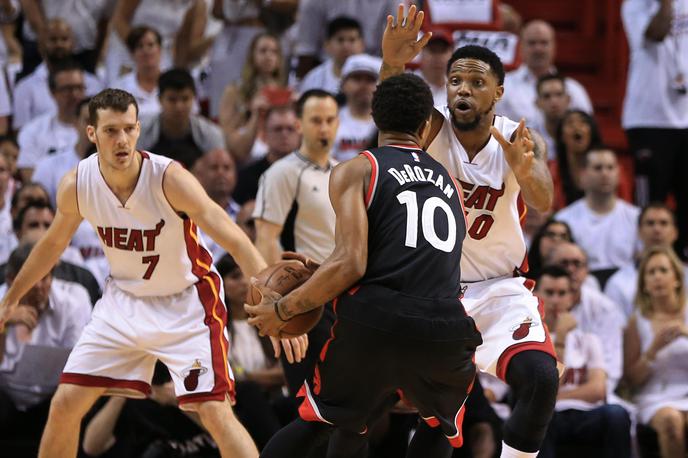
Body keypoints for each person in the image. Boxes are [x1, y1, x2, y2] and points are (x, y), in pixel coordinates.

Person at [0, 88, 306, 458]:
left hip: (186, 304)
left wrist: (276, 302)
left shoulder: (168, 179)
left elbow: (236, 239)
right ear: (91, 133)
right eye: (111, 130)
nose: (122, 140)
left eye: (129, 129)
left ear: (139, 129)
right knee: (65, 404)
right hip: (124, 303)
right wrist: (11, 297)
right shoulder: (76, 185)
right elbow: (50, 246)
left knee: (213, 413)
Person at [248, 72, 481, 458]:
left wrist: (284, 308)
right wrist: (325, 268)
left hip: (377, 321)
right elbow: (413, 258)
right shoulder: (450, 183)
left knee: (323, 421)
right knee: (440, 425)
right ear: (425, 125)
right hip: (445, 328)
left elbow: (352, 264)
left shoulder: (358, 169)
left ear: (374, 119)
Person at [380, 5, 559, 457]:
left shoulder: (517, 138)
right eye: (456, 81)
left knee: (540, 379)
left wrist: (526, 169)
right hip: (437, 293)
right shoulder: (430, 127)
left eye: (477, 83)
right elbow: (390, 118)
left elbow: (543, 200)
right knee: (438, 422)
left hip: (502, 290)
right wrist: (394, 65)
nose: (463, 89)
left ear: (497, 92)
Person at [253, 89, 338, 402]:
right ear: (300, 124)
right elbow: (265, 238)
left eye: (330, 120)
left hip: (346, 299)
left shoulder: (345, 172)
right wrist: (278, 309)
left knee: (350, 411)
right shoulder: (282, 173)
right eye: (316, 120)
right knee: (309, 406)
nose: (324, 128)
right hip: (305, 301)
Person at [0, 243, 92, 456]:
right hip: (5, 395)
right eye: (34, 279)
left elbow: (76, 360)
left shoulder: (72, 301)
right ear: (12, 281)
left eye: (46, 277)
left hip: (52, 394)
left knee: (76, 398)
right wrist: (3, 322)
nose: (41, 286)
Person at [535, 265, 631, 458]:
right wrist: (560, 339)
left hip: (586, 413)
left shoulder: (589, 339)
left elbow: (598, 390)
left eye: (562, 293)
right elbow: (547, 388)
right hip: (551, 417)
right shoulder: (530, 340)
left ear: (571, 298)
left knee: (617, 414)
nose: (555, 300)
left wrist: (553, 399)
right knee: (539, 419)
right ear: (536, 295)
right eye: (549, 293)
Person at [622, 0, 688, 258]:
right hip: (648, 119)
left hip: (685, 117)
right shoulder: (635, 5)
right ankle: (649, 262)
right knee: (652, 205)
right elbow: (656, 33)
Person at [623, 246, 688, 458]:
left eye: (663, 270)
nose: (657, 277)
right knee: (671, 422)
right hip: (655, 396)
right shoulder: (637, 321)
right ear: (645, 285)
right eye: (651, 273)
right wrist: (653, 350)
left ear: (677, 279)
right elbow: (631, 380)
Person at [555, 148, 640, 286]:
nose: (605, 173)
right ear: (583, 174)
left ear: (619, 173)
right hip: (581, 285)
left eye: (610, 167)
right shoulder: (564, 219)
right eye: (598, 168)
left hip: (627, 286)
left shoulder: (636, 217)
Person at [497, 20, 592, 125]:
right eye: (532, 43)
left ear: (554, 47)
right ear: (520, 47)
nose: (538, 49)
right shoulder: (503, 87)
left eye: (544, 43)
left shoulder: (573, 89)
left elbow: (587, 130)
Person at [605, 203, 688, 320]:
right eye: (650, 223)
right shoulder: (617, 283)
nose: (657, 229)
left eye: (663, 223)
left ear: (675, 232)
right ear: (639, 232)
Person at [218, 33, 288, 164]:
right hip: (245, 154)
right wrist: (251, 112)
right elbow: (227, 134)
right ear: (252, 56)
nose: (269, 56)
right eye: (263, 51)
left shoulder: (285, 92)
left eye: (274, 52)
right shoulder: (234, 91)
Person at [137, 68, 224, 170]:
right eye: (172, 99)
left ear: (194, 99)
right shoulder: (139, 133)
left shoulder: (212, 135)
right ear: (160, 100)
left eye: (185, 99)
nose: (179, 106)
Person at [233, 105, 301, 205]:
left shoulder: (313, 174)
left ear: (300, 133)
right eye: (278, 129)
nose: (284, 134)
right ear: (265, 134)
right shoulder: (246, 178)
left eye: (290, 129)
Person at [331, 53, 380, 162]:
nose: (363, 85)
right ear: (343, 85)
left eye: (370, 80)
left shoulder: (385, 123)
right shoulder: (330, 119)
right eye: (357, 78)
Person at [299, 17, 365, 95]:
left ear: (362, 45)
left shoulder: (377, 72)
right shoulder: (313, 79)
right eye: (340, 40)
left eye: (352, 40)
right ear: (327, 45)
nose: (346, 46)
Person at [110, 25, 163, 117]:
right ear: (132, 53)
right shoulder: (119, 89)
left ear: (159, 49)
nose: (146, 51)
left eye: (150, 45)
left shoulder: (173, 82)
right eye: (140, 46)